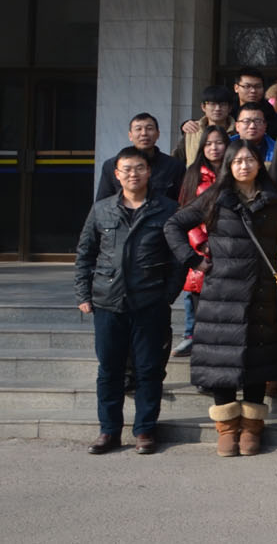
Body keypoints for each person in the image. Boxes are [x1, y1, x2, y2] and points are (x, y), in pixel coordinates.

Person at [164, 140, 277, 457]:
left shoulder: (275, 199)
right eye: (237, 161)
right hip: (221, 293)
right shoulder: (215, 197)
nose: (244, 166)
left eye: (250, 160)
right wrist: (194, 260)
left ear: (259, 163)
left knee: (258, 359)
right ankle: (227, 427)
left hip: (262, 290)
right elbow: (174, 224)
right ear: (229, 166)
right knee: (221, 358)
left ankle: (252, 427)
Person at [75, 147, 182, 455]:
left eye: (139, 168)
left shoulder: (167, 209)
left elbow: (178, 258)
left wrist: (168, 294)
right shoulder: (102, 209)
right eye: (127, 169)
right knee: (109, 369)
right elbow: (85, 253)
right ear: (116, 174)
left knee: (149, 369)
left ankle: (145, 430)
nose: (133, 174)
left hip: (150, 302)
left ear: (149, 172)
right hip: (108, 302)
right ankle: (108, 430)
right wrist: (83, 294)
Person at [172, 126, 229, 357]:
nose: (214, 148)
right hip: (203, 249)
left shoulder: (234, 172)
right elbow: (184, 213)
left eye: (219, 143)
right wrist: (201, 243)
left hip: (229, 247)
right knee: (200, 306)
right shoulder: (193, 174)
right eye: (209, 144)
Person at [96, 113, 184, 202]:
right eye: (138, 129)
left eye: (149, 128)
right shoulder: (112, 165)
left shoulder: (174, 166)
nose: (144, 133)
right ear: (130, 135)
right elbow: (103, 203)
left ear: (158, 134)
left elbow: (182, 202)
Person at [174, 85, 234, 165]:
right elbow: (176, 161)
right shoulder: (192, 130)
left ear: (230, 108)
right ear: (203, 107)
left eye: (222, 104)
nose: (217, 108)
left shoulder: (238, 131)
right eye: (212, 104)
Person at [235, 66, 277, 138]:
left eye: (258, 86)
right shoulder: (227, 113)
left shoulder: (276, 120)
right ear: (236, 88)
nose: (253, 91)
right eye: (247, 86)